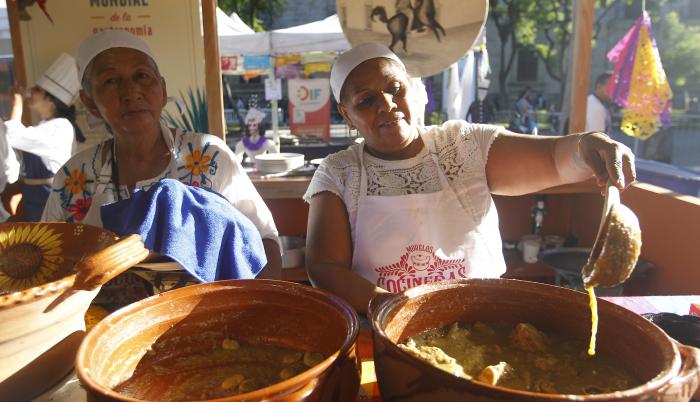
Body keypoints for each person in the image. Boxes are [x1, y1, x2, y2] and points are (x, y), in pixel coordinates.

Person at [304, 43, 635, 314]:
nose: (387, 105)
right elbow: (325, 266)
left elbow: (554, 159)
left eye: (395, 88)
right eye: (367, 100)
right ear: (347, 114)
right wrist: (393, 308)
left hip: (487, 318)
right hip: (386, 327)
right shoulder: (339, 172)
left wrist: (586, 146)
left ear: (412, 88)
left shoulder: (464, 144)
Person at [41, 30, 281, 277]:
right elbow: (47, 261)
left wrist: (262, 309)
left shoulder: (209, 156)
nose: (131, 91)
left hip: (208, 310)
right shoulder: (73, 180)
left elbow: (265, 240)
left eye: (142, 76)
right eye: (111, 81)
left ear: (162, 90)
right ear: (89, 101)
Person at [2, 53, 85, 221]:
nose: (31, 91)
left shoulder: (60, 127)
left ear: (51, 100)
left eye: (37, 89)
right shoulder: (44, 126)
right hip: (34, 200)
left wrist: (17, 102)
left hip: (49, 202)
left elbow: (11, 134)